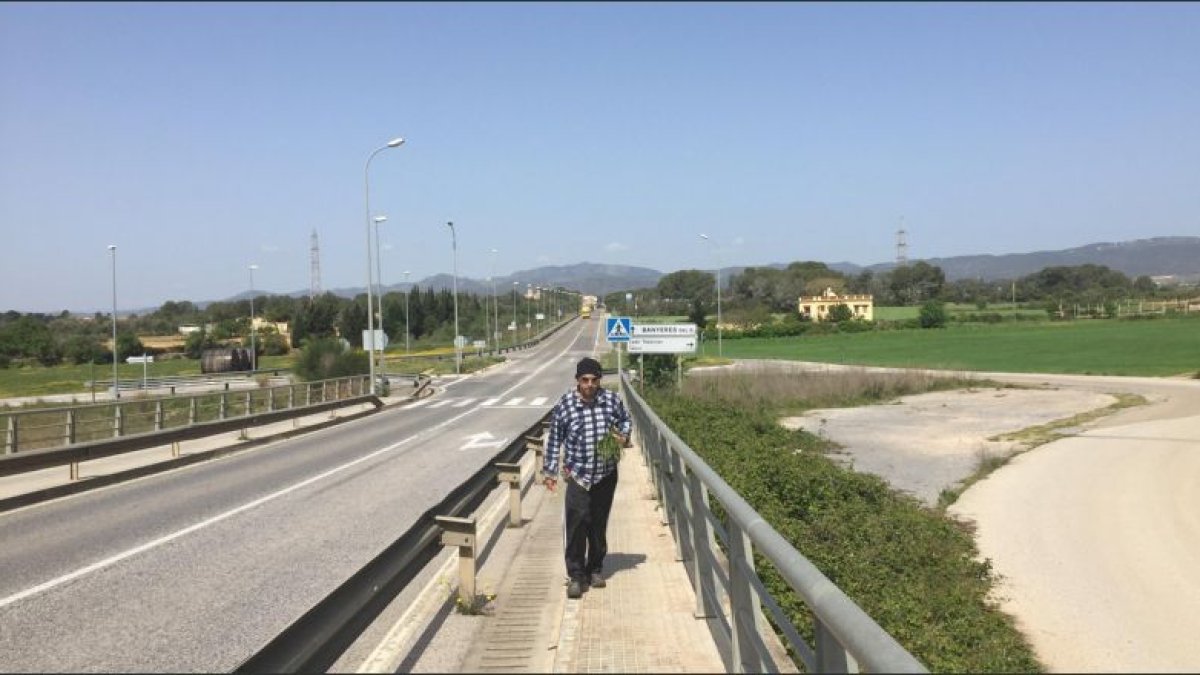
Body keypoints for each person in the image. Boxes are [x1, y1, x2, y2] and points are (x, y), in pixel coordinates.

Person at [543, 356, 632, 599]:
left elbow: (625, 420)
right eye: (585, 380)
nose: (590, 384)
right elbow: (554, 439)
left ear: (599, 380)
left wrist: (623, 436)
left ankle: (595, 569)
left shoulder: (611, 400)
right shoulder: (566, 405)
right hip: (578, 475)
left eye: (594, 380)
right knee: (577, 523)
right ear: (577, 381)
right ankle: (575, 575)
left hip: (605, 473)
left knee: (598, 523)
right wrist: (550, 471)